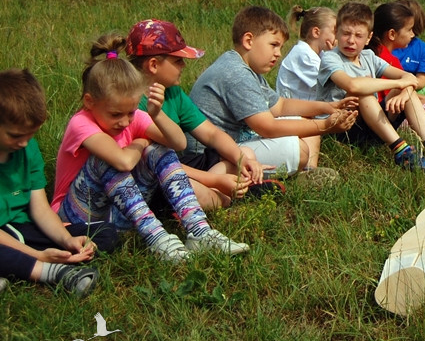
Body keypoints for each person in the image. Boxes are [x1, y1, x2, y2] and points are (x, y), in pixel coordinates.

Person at [52, 35, 248, 262]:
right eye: (116, 114)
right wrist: (140, 142)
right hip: (78, 217)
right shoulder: (81, 123)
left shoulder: (132, 117)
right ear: (89, 102)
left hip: (119, 214)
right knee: (106, 159)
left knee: (160, 150)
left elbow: (178, 143)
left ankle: (199, 231)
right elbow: (123, 162)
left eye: (131, 112)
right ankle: (156, 238)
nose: (125, 122)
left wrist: (156, 114)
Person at [185, 6, 357, 178]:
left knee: (305, 121)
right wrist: (326, 126)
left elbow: (280, 105)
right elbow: (267, 127)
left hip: (233, 145)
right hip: (209, 156)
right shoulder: (236, 73)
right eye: (274, 45)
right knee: (297, 150)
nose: (278, 54)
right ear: (248, 40)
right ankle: (292, 172)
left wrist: (327, 107)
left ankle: (306, 172)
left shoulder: (245, 68)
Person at [126, 19, 276, 211]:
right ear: (153, 65)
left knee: (244, 153)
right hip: (156, 178)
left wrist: (243, 161)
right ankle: (226, 197)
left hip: (183, 165)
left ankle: (224, 193)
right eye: (178, 60)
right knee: (196, 191)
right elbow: (161, 163)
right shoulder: (133, 106)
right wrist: (216, 180)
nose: (183, 66)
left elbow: (211, 134)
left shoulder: (173, 93)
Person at [0, 69, 115, 296]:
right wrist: (37, 255)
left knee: (106, 233)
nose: (24, 143)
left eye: (30, 135)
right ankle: (53, 272)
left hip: (25, 230)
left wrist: (67, 239)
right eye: (15, 136)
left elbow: (40, 209)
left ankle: (29, 264)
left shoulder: (28, 150)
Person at [318, 2, 425, 172]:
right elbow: (352, 85)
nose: (351, 40)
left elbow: (409, 78)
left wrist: (405, 91)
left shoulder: (368, 56)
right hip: (344, 129)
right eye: (346, 33)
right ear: (336, 31)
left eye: (358, 35)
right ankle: (402, 152)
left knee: (405, 91)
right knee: (365, 94)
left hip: (373, 125)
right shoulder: (330, 59)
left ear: (369, 38)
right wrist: (398, 83)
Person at [372, 1, 425, 126]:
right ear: (392, 34)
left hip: (389, 106)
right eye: (409, 30)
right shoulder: (381, 58)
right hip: (383, 114)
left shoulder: (385, 55)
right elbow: (393, 95)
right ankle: (407, 124)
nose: (412, 34)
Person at [276, 6, 337, 101]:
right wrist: (336, 55)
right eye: (335, 32)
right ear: (316, 32)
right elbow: (336, 82)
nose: (338, 37)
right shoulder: (303, 55)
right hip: (294, 113)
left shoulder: (320, 55)